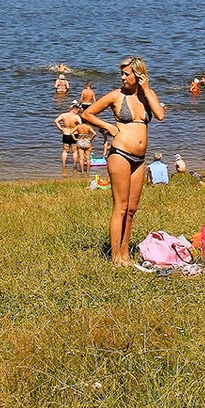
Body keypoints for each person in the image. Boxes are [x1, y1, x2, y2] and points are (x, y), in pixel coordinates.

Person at [81, 56, 165, 267]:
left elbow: (160, 115)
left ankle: (125, 253)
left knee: (132, 209)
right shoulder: (116, 96)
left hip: (140, 159)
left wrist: (146, 89)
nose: (122, 78)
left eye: (127, 74)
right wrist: (108, 127)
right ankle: (115, 257)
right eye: (122, 74)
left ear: (138, 75)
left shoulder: (148, 96)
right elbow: (87, 113)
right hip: (120, 154)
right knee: (120, 207)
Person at [54, 103, 82, 175]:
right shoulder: (76, 117)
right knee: (74, 151)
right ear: (75, 109)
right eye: (78, 109)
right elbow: (80, 124)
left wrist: (61, 129)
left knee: (65, 151)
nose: (78, 111)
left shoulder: (64, 115)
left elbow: (56, 121)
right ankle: (74, 166)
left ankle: (64, 166)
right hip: (74, 134)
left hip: (65, 133)